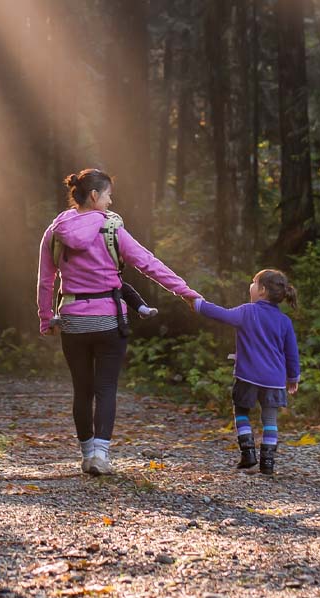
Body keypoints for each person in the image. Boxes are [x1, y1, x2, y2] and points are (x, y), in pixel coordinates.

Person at [38, 168, 200, 475]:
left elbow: (46, 280)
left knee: (82, 389)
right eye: (109, 195)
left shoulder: (55, 230)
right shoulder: (112, 229)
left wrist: (46, 318)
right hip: (110, 320)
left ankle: (86, 456)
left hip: (73, 320)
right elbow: (149, 264)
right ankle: (101, 455)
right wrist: (185, 292)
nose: (111, 202)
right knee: (106, 388)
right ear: (95, 195)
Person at [193, 269, 300, 475]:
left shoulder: (247, 312)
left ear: (261, 290)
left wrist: (198, 304)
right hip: (275, 380)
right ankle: (267, 463)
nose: (250, 286)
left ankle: (248, 453)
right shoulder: (284, 321)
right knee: (270, 420)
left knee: (241, 411)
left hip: (247, 376)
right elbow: (292, 353)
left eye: (253, 282)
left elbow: (221, 314)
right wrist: (293, 377)